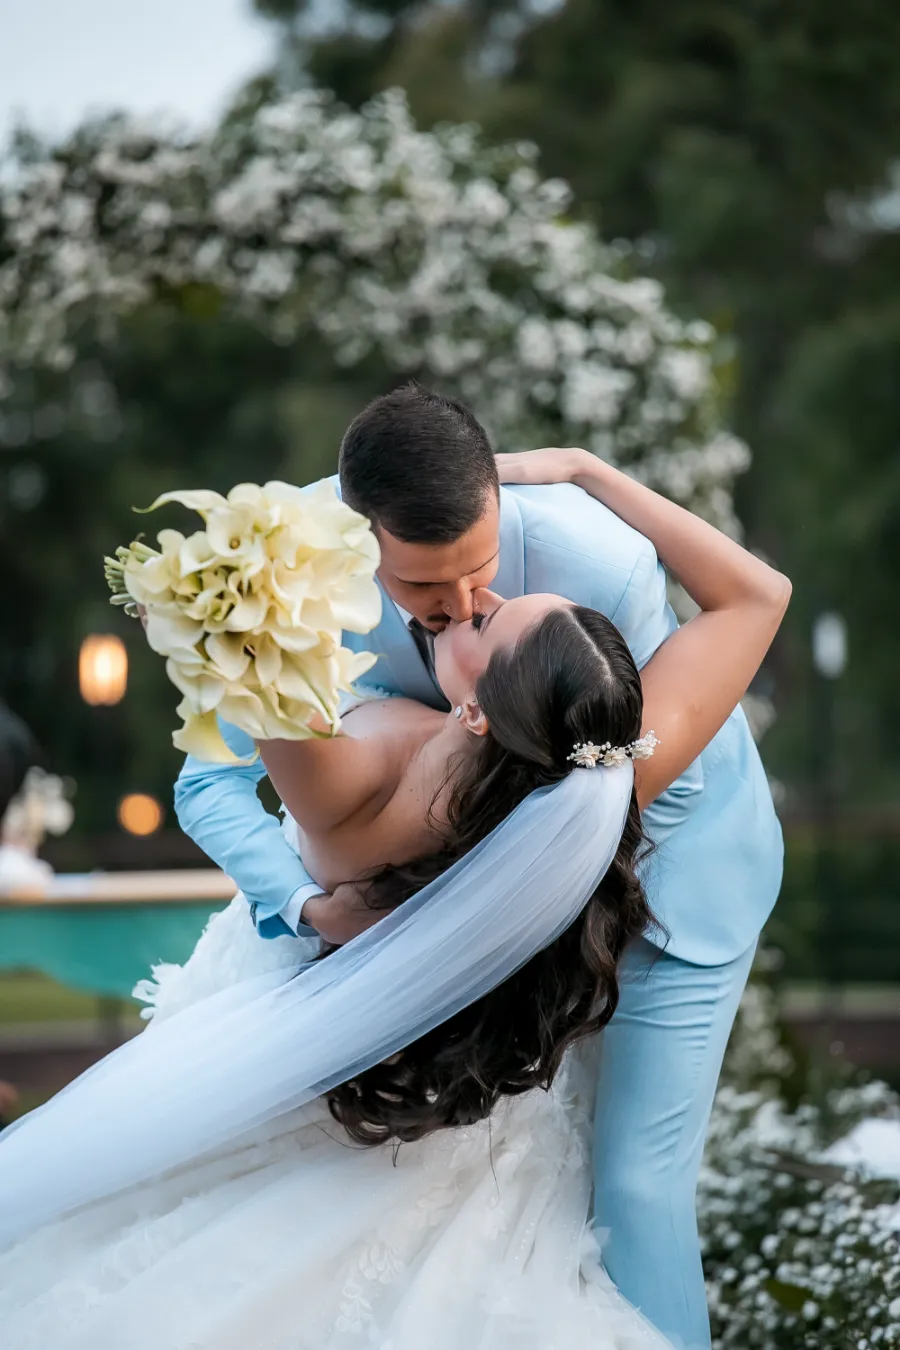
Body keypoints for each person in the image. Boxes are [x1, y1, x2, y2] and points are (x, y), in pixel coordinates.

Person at [0, 413, 788, 1350]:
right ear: (357, 530)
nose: (461, 600)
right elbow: (208, 780)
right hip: (439, 895)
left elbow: (616, 774)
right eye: (423, 584)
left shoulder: (599, 566)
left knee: (635, 1183)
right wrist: (308, 905)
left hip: (675, 877)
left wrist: (455, 872)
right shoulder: (270, 576)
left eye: (484, 576)